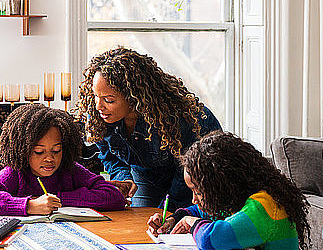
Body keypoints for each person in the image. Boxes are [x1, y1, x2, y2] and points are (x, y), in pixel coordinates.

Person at [77, 47, 222, 212]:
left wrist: (165, 210)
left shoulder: (182, 118)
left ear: (134, 98)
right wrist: (124, 179)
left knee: (175, 223)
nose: (98, 106)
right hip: (146, 175)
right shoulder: (100, 117)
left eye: (109, 100)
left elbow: (186, 174)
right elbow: (109, 156)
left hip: (196, 179)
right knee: (142, 222)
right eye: (96, 96)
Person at [146, 131, 311, 250]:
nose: (194, 199)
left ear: (222, 184)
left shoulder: (264, 206)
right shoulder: (236, 200)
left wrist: (191, 222)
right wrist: (174, 219)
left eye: (198, 191)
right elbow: (200, 211)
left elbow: (213, 238)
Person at [0, 104, 126, 216]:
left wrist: (58, 199)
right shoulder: (15, 173)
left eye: (56, 150)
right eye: (39, 152)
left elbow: (114, 196)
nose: (49, 159)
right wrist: (30, 205)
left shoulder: (70, 170)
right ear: (22, 150)